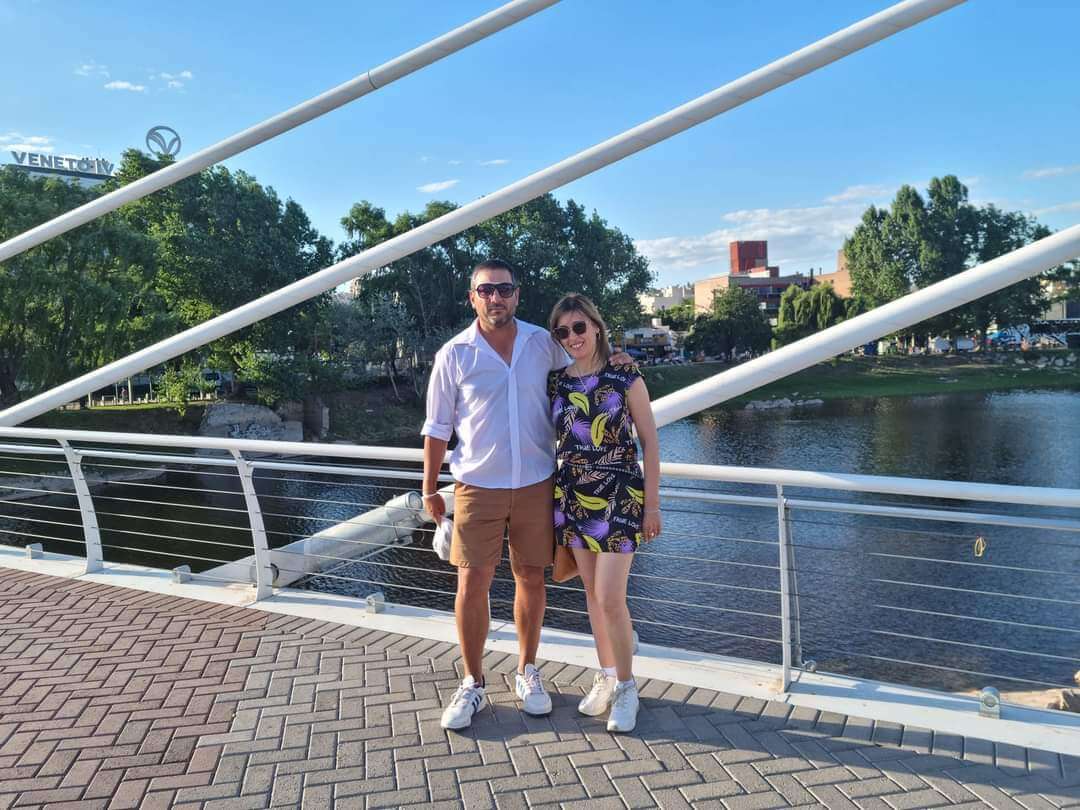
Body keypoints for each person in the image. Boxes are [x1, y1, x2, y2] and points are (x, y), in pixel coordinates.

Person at [420, 259, 569, 731]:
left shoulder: (542, 343)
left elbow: (584, 372)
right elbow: (437, 427)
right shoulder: (454, 354)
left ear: (517, 295)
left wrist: (618, 361)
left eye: (504, 289)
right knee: (471, 583)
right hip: (476, 487)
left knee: (531, 577)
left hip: (536, 482)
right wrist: (429, 488)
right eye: (485, 290)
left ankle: (527, 670)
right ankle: (473, 681)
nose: (495, 298)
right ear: (473, 298)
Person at [548, 293, 661, 733]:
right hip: (574, 495)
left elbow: (649, 442)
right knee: (593, 597)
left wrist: (652, 504)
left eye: (579, 327)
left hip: (620, 495)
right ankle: (608, 675)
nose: (572, 337)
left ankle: (628, 687)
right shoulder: (557, 383)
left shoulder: (625, 374)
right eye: (563, 331)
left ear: (596, 326)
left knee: (611, 596)